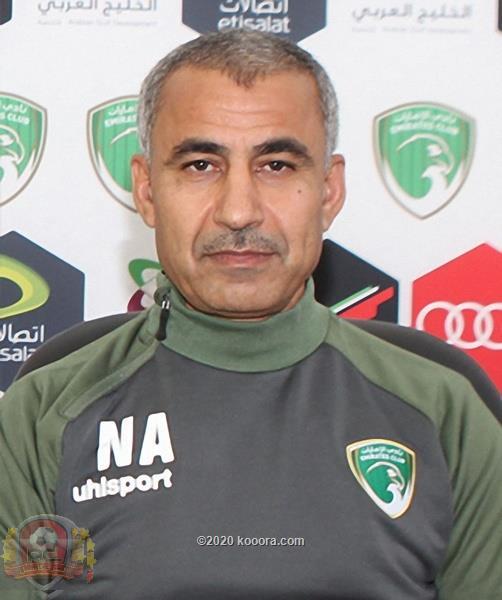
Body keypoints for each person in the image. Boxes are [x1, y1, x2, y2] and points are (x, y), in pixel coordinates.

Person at [0, 30, 500, 599]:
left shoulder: (444, 411)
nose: (239, 211)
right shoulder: (45, 413)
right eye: (200, 165)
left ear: (329, 191)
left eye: (277, 165)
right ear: (146, 190)